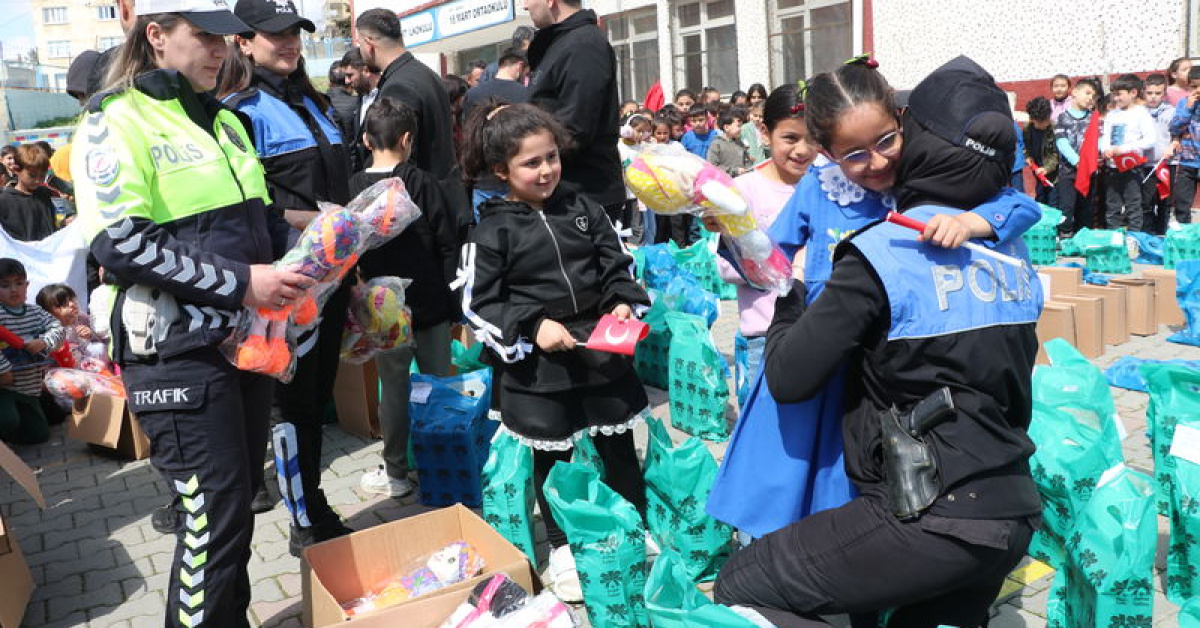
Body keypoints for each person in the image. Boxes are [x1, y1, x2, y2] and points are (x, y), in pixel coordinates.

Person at [713, 55, 1043, 628]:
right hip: (828, 358)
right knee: (815, 496)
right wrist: (736, 236)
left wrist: (976, 224)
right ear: (827, 153)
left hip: (895, 371)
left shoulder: (934, 179)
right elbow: (770, 250)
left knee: (874, 504)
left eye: (886, 141)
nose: (876, 162)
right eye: (854, 154)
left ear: (905, 122)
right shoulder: (822, 188)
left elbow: (1021, 203)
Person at [70, 0, 306, 623]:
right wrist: (243, 283)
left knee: (237, 517)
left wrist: (320, 250)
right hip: (175, 355)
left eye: (226, 39)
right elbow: (120, 244)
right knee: (213, 522)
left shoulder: (226, 123)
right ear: (156, 35)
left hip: (246, 349)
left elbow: (263, 225)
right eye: (203, 36)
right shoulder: (113, 121)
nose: (219, 50)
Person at [458, 102, 651, 601]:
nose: (546, 170)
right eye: (530, 163)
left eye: (551, 158)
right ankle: (563, 548)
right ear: (502, 170)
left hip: (599, 350)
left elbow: (616, 261)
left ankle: (635, 524)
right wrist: (532, 326)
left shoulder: (582, 207)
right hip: (539, 364)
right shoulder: (491, 229)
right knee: (555, 459)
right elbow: (478, 302)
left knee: (618, 447)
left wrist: (622, 303)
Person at [218, 0, 357, 556]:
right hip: (285, 288)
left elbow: (338, 194)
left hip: (335, 276)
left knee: (315, 400)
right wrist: (325, 224)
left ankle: (312, 502)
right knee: (291, 404)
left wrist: (353, 249)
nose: (288, 43)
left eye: (294, 31)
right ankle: (305, 518)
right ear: (244, 43)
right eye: (272, 34)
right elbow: (252, 207)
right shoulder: (237, 111)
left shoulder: (314, 102)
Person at [351, 97, 459, 498]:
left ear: (365, 139)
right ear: (408, 139)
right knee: (438, 385)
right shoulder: (423, 183)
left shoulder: (354, 188)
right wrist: (453, 300)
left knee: (393, 389)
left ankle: (396, 473)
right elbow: (448, 242)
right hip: (430, 302)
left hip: (382, 308)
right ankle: (442, 466)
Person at [707, 83, 815, 407]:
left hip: (823, 331)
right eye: (791, 138)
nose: (803, 150)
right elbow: (726, 267)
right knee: (765, 427)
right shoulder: (742, 191)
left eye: (813, 138)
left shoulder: (830, 185)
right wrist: (783, 267)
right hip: (766, 335)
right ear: (765, 133)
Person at [356, 8, 470, 238]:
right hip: (445, 200)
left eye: (358, 44)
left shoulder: (399, 85)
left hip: (423, 215)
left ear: (369, 43)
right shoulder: (424, 73)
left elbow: (399, 161)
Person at [525, 0, 626, 222]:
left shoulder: (583, 44)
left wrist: (523, 157)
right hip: (562, 191)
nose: (525, 7)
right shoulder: (559, 43)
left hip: (584, 196)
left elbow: (575, 127)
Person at [0, 258, 63, 445]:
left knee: (38, 434)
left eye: (19, 283)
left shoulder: (35, 312)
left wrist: (44, 342)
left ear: (27, 286)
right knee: (7, 420)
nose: (14, 290)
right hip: (4, 385)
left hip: (30, 387)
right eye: (5, 285)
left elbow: (58, 329)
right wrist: (3, 369)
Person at [1099, 74, 1156, 232]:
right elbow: (1105, 137)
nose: (1116, 98)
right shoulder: (1112, 115)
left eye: (1119, 94)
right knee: (1112, 205)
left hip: (1132, 167)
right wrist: (1105, 150)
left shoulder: (1141, 113)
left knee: (1133, 204)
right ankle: (1114, 237)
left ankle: (1134, 237)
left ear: (1133, 93)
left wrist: (1124, 149)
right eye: (1114, 95)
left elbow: (1150, 139)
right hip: (1112, 167)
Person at [1054, 77, 1102, 236]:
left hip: (1089, 171)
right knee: (1067, 206)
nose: (1090, 98)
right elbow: (1061, 143)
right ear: (1074, 92)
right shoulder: (1062, 117)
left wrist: (1099, 155)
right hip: (1069, 171)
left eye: (1093, 95)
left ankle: (1083, 236)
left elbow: (1099, 140)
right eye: (1087, 93)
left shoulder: (1094, 118)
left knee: (1086, 206)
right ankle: (1065, 235)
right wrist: (1077, 161)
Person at [0, 145, 58, 241]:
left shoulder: (43, 193)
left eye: (42, 175)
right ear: (16, 169)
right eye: (32, 175)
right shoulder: (4, 201)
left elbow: (50, 225)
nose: (38, 180)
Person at [1169, 66, 1200, 229]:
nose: (1197, 90)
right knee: (1182, 203)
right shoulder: (1184, 103)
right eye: (1194, 86)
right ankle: (1186, 236)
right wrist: (1188, 108)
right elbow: (1174, 128)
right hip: (1188, 161)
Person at [1144, 73, 1176, 234]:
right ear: (1143, 93)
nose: (1153, 97)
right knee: (1147, 200)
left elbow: (1178, 133)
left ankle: (1163, 231)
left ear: (1164, 94)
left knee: (1165, 199)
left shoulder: (1171, 112)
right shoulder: (1140, 112)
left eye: (1157, 93)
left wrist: (1172, 147)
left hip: (1166, 162)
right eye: (1149, 93)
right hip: (1145, 163)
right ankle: (1148, 233)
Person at [462, 48, 529, 120]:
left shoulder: (472, 94)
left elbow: (469, 127)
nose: (525, 76)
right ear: (520, 66)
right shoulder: (524, 93)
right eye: (526, 73)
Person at [616, 113, 653, 244]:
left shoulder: (643, 148)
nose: (641, 135)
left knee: (637, 226)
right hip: (620, 194)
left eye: (644, 132)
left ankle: (638, 253)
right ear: (627, 129)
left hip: (636, 196)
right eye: (638, 131)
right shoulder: (618, 146)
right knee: (619, 224)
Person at [1023, 96, 1059, 206]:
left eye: (1046, 119)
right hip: (1038, 173)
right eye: (1040, 121)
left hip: (1055, 176)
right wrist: (1029, 157)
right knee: (1040, 200)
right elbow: (1027, 146)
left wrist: (1047, 168)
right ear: (1033, 119)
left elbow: (1056, 153)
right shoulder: (1028, 129)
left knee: (1053, 202)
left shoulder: (1054, 129)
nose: (1045, 123)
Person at [707, 108, 752, 177]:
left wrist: (749, 169)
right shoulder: (716, 144)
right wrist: (735, 171)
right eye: (738, 126)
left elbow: (746, 161)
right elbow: (713, 166)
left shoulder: (740, 143)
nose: (741, 129)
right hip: (725, 183)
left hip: (742, 181)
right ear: (726, 127)